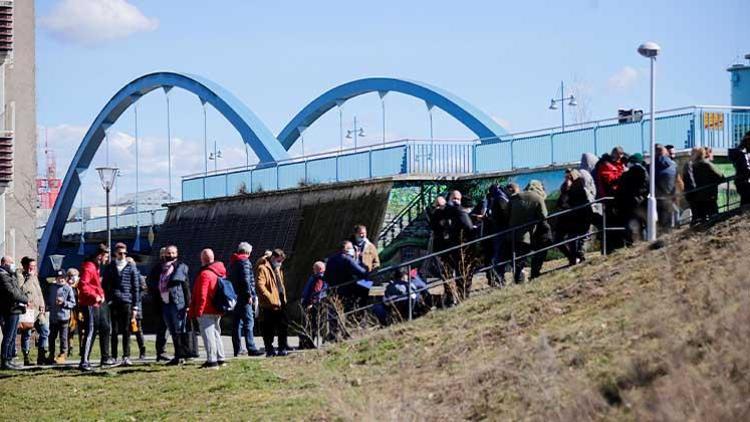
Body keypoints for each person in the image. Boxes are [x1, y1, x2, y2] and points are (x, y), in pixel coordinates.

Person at [431, 190, 475, 302]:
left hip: (455, 248)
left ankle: (458, 297)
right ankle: (455, 297)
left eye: (458, 199)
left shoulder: (454, 211)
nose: (456, 201)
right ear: (449, 198)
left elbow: (467, 227)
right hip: (448, 248)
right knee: (450, 274)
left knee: (456, 273)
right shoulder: (452, 211)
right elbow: (469, 227)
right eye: (454, 198)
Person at [102, 242, 141, 366]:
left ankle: (126, 355)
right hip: (114, 302)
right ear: (115, 253)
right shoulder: (110, 267)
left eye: (125, 253)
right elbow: (105, 285)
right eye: (120, 253)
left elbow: (136, 287)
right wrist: (108, 299)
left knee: (126, 330)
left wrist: (136, 306)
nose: (123, 255)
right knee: (114, 330)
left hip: (127, 301)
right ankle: (113, 356)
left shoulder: (131, 267)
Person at [188, 248, 227, 369]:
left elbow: (202, 295)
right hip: (217, 308)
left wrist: (198, 311)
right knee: (216, 334)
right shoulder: (220, 272)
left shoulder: (205, 274)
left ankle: (212, 361)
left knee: (208, 335)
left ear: (202, 259)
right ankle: (221, 358)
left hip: (207, 309)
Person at [78, 244, 113, 371]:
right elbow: (83, 285)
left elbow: (96, 284)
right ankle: (84, 361)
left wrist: (101, 294)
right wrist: (95, 296)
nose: (106, 260)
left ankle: (105, 357)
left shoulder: (96, 267)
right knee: (91, 330)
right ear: (100, 256)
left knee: (105, 327)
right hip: (90, 303)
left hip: (98, 302)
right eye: (106, 257)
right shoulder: (89, 267)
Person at [507, 182, 548, 283]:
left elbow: (507, 214)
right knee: (522, 259)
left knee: (515, 258)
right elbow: (544, 215)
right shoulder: (538, 198)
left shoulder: (514, 198)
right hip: (526, 235)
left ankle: (518, 279)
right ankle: (520, 280)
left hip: (511, 233)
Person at [159, 245, 191, 366]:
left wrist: (188, 303)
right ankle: (177, 355)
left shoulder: (180, 267)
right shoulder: (161, 269)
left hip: (177, 303)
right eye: (168, 253)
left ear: (176, 254)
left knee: (179, 329)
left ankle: (182, 355)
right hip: (165, 302)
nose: (170, 255)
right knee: (172, 330)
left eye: (172, 253)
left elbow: (185, 286)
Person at [229, 242, 262, 357]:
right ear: (247, 252)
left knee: (237, 323)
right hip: (244, 297)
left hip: (236, 296)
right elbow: (246, 279)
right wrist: (249, 295)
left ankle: (237, 349)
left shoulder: (233, 262)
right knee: (249, 322)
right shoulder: (245, 262)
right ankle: (251, 348)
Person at [256, 249, 289, 357]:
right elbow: (260, 285)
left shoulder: (278, 268)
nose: (280, 263)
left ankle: (282, 348)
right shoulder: (263, 268)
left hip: (280, 301)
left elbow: (280, 284)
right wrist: (270, 298)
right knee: (268, 328)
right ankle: (269, 349)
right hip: (269, 304)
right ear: (273, 258)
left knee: (283, 326)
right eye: (279, 260)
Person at [555, 169, 592, 266]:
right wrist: (566, 188)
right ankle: (571, 257)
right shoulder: (565, 187)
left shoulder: (579, 187)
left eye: (569, 176)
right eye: (566, 177)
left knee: (574, 240)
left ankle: (576, 258)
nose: (567, 178)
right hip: (565, 218)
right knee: (557, 239)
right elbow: (560, 203)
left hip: (576, 218)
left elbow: (580, 202)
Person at [17, 257, 49, 366]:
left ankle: (41, 356)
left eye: (35, 266)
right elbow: (21, 290)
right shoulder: (20, 275)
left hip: (38, 310)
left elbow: (39, 292)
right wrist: (30, 277)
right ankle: (26, 357)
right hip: (28, 310)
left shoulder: (34, 276)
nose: (34, 268)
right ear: (25, 266)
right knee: (27, 334)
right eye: (32, 266)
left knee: (45, 331)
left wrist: (42, 304)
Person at [615, 153, 649, 246]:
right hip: (642, 204)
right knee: (643, 226)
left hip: (628, 205)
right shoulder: (646, 173)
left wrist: (617, 205)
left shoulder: (626, 175)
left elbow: (619, 191)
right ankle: (643, 243)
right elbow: (647, 188)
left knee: (630, 227)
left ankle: (632, 244)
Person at [0, 256, 28, 370]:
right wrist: (25, 299)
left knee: (12, 336)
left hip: (15, 308)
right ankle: (5, 359)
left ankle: (10, 358)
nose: (13, 264)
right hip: (9, 308)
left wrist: (23, 298)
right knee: (8, 335)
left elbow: (17, 290)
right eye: (11, 262)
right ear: (4, 263)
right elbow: (12, 292)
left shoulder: (10, 275)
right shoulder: (2, 276)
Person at [146, 247, 170, 362]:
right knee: (163, 328)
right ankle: (161, 351)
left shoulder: (158, 268)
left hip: (161, 301)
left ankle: (161, 351)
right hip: (161, 302)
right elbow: (151, 284)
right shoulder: (159, 269)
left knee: (165, 328)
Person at [47, 270, 76, 364]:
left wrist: (64, 303)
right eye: (59, 278)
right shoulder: (52, 287)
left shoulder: (68, 288)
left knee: (63, 337)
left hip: (64, 317)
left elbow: (73, 303)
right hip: (53, 317)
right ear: (56, 278)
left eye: (63, 278)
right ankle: (51, 355)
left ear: (66, 278)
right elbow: (49, 300)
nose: (61, 279)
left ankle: (63, 354)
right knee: (51, 337)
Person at [691, 147, 725, 222]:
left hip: (699, 195)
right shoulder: (707, 164)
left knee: (702, 218)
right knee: (713, 215)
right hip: (710, 194)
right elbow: (721, 177)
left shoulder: (694, 166)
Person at [299, 261, 327, 349]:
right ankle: (307, 343)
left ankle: (304, 343)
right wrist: (311, 303)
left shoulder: (315, 277)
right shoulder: (319, 278)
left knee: (308, 324)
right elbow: (316, 291)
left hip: (308, 302)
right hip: (312, 303)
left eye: (314, 268)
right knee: (312, 324)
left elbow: (313, 291)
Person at [655, 144, 677, 228]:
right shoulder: (673, 165)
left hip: (658, 196)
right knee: (671, 217)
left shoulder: (653, 166)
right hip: (670, 195)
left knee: (660, 220)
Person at [729, 131, 750, 207]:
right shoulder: (742, 153)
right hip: (745, 182)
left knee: (745, 203)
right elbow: (746, 168)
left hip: (743, 182)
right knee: (745, 203)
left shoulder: (741, 151)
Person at [65, 268, 81, 357]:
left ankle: (82, 348)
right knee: (70, 329)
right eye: (70, 275)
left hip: (79, 309)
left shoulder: (80, 284)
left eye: (74, 275)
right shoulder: (67, 285)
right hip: (70, 309)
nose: (72, 277)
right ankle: (70, 348)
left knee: (82, 329)